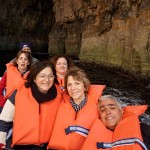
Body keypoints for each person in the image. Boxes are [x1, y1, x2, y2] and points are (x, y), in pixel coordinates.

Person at [0, 61, 62, 149]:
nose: (47, 80)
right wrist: (1, 142)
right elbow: (4, 120)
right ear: (34, 79)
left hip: (47, 146)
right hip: (22, 146)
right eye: (42, 76)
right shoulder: (19, 93)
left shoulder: (60, 96)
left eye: (50, 76)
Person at [48, 66, 106, 150]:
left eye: (77, 83)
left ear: (85, 86)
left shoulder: (98, 105)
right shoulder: (60, 103)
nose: (73, 88)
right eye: (69, 85)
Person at [81, 95, 149, 150]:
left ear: (121, 111)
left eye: (112, 108)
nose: (108, 112)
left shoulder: (142, 129)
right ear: (99, 116)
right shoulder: (91, 133)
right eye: (103, 110)